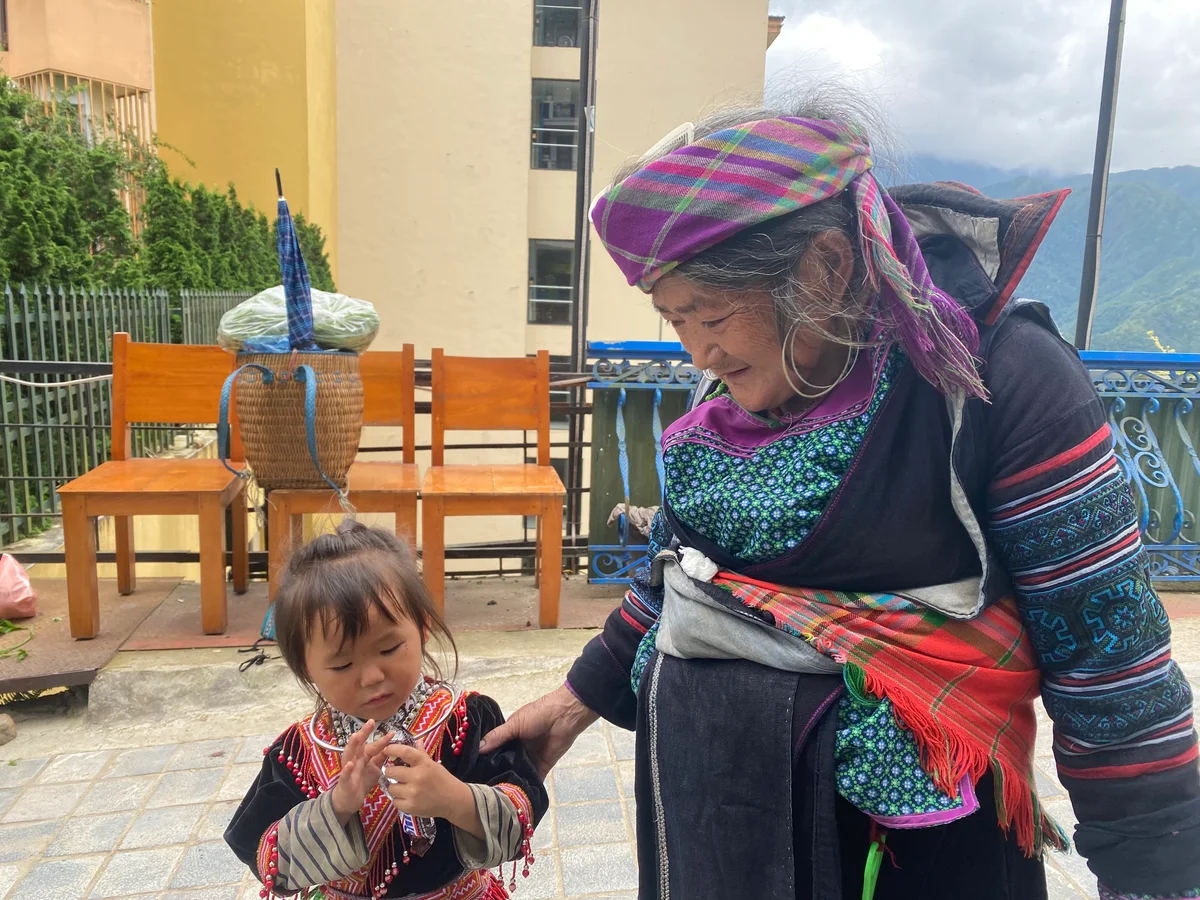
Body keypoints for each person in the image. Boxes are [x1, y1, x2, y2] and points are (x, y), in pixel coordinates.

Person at [480, 95, 1200, 899]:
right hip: (714, 830)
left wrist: (1154, 878)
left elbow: (1113, 663)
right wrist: (574, 702)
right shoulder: (725, 412)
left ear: (824, 266)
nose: (700, 352)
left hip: (909, 857)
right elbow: (680, 574)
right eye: (674, 320)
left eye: (712, 315)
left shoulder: (1000, 381)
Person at [226, 523, 547, 900]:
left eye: (390, 648)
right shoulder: (298, 752)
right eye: (343, 665)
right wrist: (337, 805)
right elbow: (263, 856)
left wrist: (455, 799)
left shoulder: (465, 719)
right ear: (305, 668)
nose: (372, 676)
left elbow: (522, 808)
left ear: (422, 627)